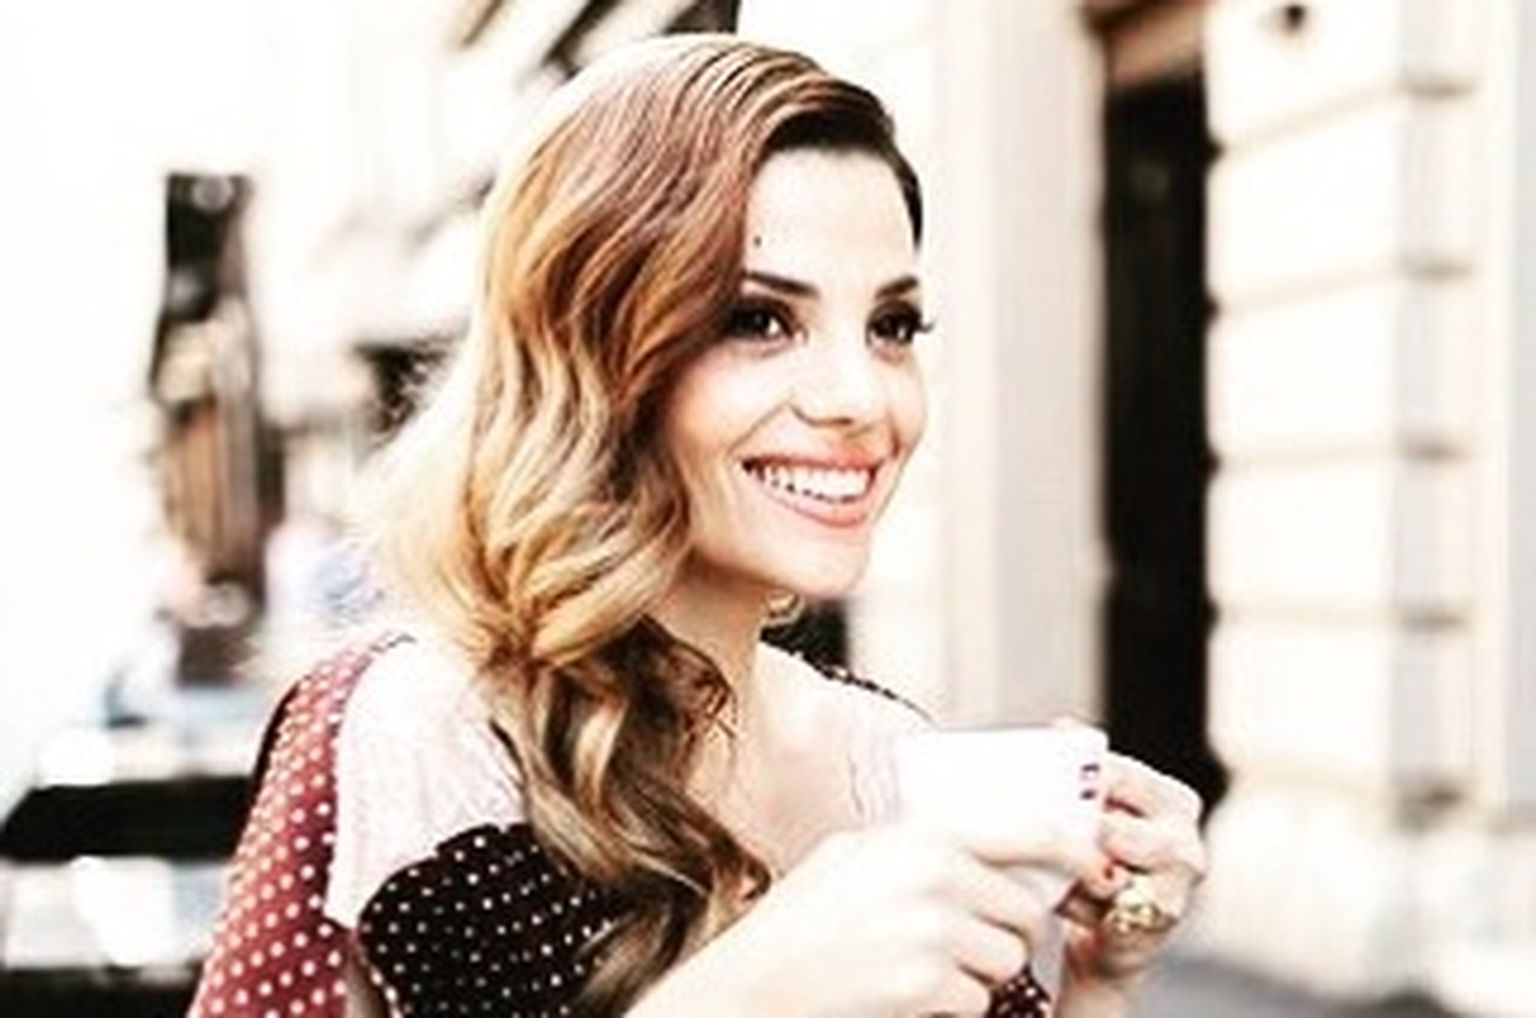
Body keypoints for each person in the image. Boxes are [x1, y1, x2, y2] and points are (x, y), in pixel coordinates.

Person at [189, 34, 1206, 1018]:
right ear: (591, 349)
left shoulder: (881, 753)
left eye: (891, 326)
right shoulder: (414, 741)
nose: (860, 398)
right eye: (759, 320)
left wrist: (1101, 977)